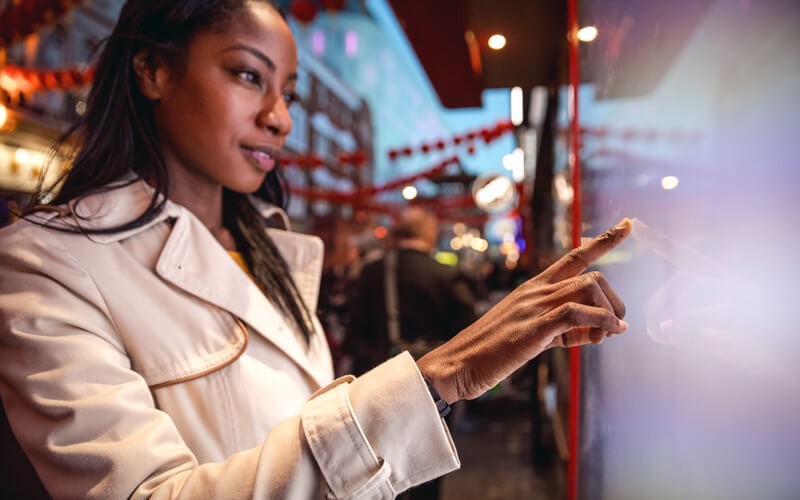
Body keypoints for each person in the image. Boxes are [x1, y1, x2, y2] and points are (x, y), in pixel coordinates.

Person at [0, 1, 632, 498]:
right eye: (248, 75)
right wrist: (443, 375)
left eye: (290, 94)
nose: (280, 117)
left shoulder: (272, 247)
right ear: (154, 70)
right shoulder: (47, 263)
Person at [346, 207, 476, 376]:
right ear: (430, 235)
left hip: (378, 376)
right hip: (434, 380)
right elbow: (468, 332)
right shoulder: (447, 274)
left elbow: (355, 332)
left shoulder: (371, 271)